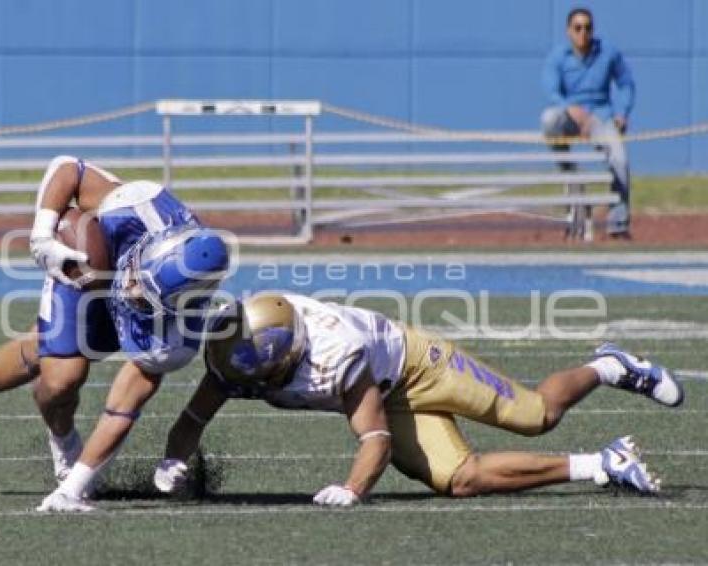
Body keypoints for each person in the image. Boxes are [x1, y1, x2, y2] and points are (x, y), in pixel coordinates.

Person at [0, 155, 230, 511]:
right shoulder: (135, 206)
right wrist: (43, 236)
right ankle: (22, 421)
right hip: (91, 265)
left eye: (143, 293)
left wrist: (73, 490)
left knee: (45, 347)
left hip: (141, 317)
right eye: (136, 277)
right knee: (61, 379)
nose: (130, 289)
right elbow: (68, 167)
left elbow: (121, 410)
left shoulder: (174, 340)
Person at [152, 293, 683, 506]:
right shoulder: (239, 351)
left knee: (535, 415)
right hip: (383, 393)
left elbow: (375, 437)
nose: (244, 377)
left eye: (253, 367)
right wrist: (173, 461)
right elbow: (193, 416)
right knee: (461, 480)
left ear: (288, 352)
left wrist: (353, 488)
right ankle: (605, 463)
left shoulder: (338, 352)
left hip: (415, 364)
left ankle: (608, 365)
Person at [541, 7, 635, 238]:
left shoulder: (608, 52)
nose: (583, 33)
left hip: (600, 118)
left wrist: (621, 113)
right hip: (571, 116)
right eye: (578, 28)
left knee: (620, 160)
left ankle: (618, 224)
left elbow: (626, 83)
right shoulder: (558, 56)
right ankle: (570, 175)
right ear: (569, 31)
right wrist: (569, 108)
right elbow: (551, 90)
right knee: (548, 119)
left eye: (588, 27)